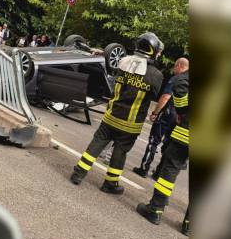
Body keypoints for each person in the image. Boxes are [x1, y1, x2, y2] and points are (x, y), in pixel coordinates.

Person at [70, 32, 164, 195]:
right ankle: (110, 183)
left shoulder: (123, 62)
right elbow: (154, 94)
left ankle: (78, 174)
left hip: (111, 116)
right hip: (131, 124)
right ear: (153, 51)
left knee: (97, 144)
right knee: (120, 152)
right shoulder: (156, 75)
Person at [136, 57, 189, 225]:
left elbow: (179, 86)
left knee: (169, 171)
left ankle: (155, 210)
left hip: (186, 134)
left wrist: (182, 112)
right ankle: (188, 225)